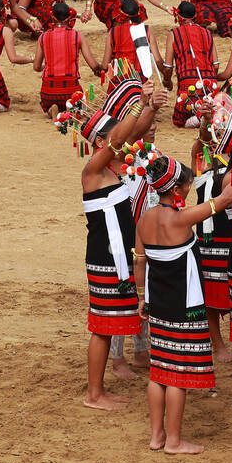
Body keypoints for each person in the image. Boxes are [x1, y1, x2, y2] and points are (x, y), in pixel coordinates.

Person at [134, 153, 232, 454]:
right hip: (185, 307)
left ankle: (157, 436)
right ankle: (175, 441)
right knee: (177, 374)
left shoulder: (145, 219)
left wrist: (142, 298)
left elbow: (140, 262)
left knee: (158, 371)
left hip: (158, 305)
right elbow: (229, 195)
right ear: (178, 190)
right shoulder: (182, 218)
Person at [79, 82, 166, 410]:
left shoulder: (111, 165)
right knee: (102, 327)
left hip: (116, 257)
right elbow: (120, 138)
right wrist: (137, 104)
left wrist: (151, 107)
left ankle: (98, 390)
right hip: (105, 259)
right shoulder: (93, 170)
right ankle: (93, 394)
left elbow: (136, 131)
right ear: (100, 143)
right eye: (114, 140)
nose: (122, 144)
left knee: (107, 324)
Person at [160, 1, 219, 128]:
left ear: (179, 17)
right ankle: (205, 116)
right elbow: (216, 66)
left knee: (179, 121)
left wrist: (167, 81)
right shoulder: (207, 32)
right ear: (195, 16)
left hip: (188, 90)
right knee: (210, 106)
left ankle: (197, 119)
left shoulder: (174, 34)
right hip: (210, 89)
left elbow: (168, 67)